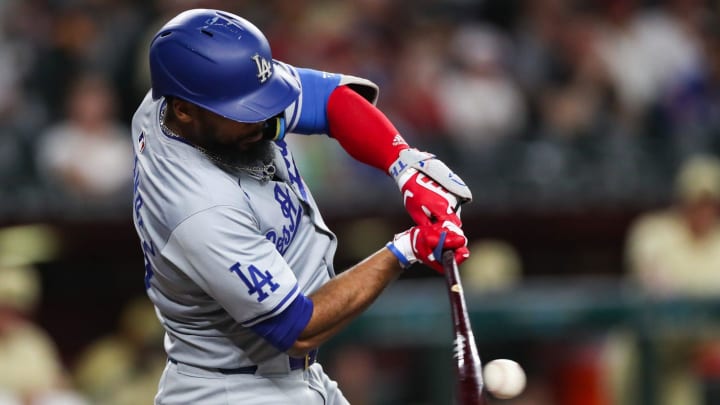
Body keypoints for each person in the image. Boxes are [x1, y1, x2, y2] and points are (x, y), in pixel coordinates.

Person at [130, 8, 472, 404]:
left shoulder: (190, 101)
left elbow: (327, 99)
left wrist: (404, 166)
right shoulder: (197, 208)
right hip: (231, 390)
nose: (262, 118)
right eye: (244, 110)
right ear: (184, 110)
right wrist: (405, 250)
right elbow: (297, 328)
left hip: (289, 377)